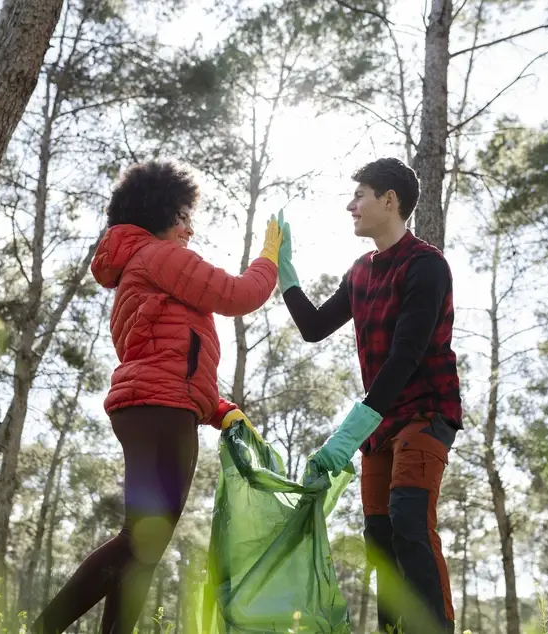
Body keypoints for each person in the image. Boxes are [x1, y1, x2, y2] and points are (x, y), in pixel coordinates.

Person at [31, 160, 282, 634]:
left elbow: (168, 358)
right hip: (161, 412)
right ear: (164, 213)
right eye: (185, 217)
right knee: (140, 539)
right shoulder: (159, 257)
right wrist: (269, 256)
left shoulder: (138, 270)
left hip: (151, 408)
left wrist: (219, 410)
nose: (190, 229)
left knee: (145, 545)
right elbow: (237, 294)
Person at [280, 157, 462, 633]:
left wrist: (353, 427)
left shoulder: (426, 265)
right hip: (379, 425)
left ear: (389, 200)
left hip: (426, 412)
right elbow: (315, 327)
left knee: (408, 519)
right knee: (379, 536)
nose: (350, 206)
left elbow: (406, 354)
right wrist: (287, 279)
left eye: (359, 195)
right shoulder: (361, 271)